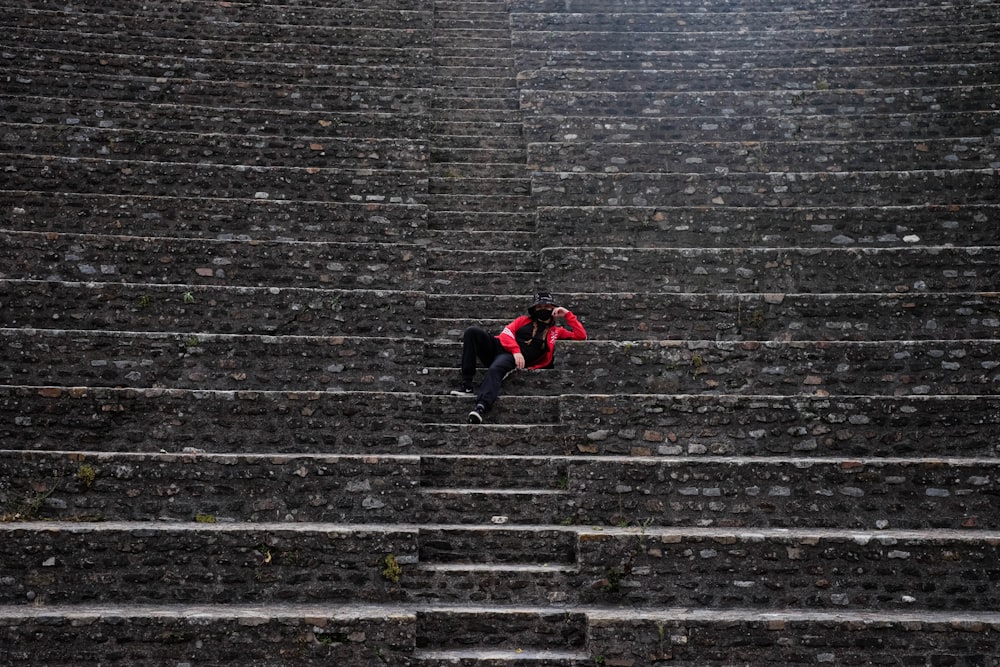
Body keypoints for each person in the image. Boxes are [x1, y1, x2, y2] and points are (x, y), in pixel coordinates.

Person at [450, 292, 587, 423]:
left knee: (496, 368)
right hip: (501, 347)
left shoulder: (556, 332)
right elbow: (506, 332)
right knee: (472, 332)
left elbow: (581, 336)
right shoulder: (523, 321)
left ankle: (481, 407)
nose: (542, 309)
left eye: (546, 307)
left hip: (508, 357)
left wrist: (568, 314)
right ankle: (466, 385)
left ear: (553, 309)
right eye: (539, 307)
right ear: (534, 309)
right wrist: (516, 350)